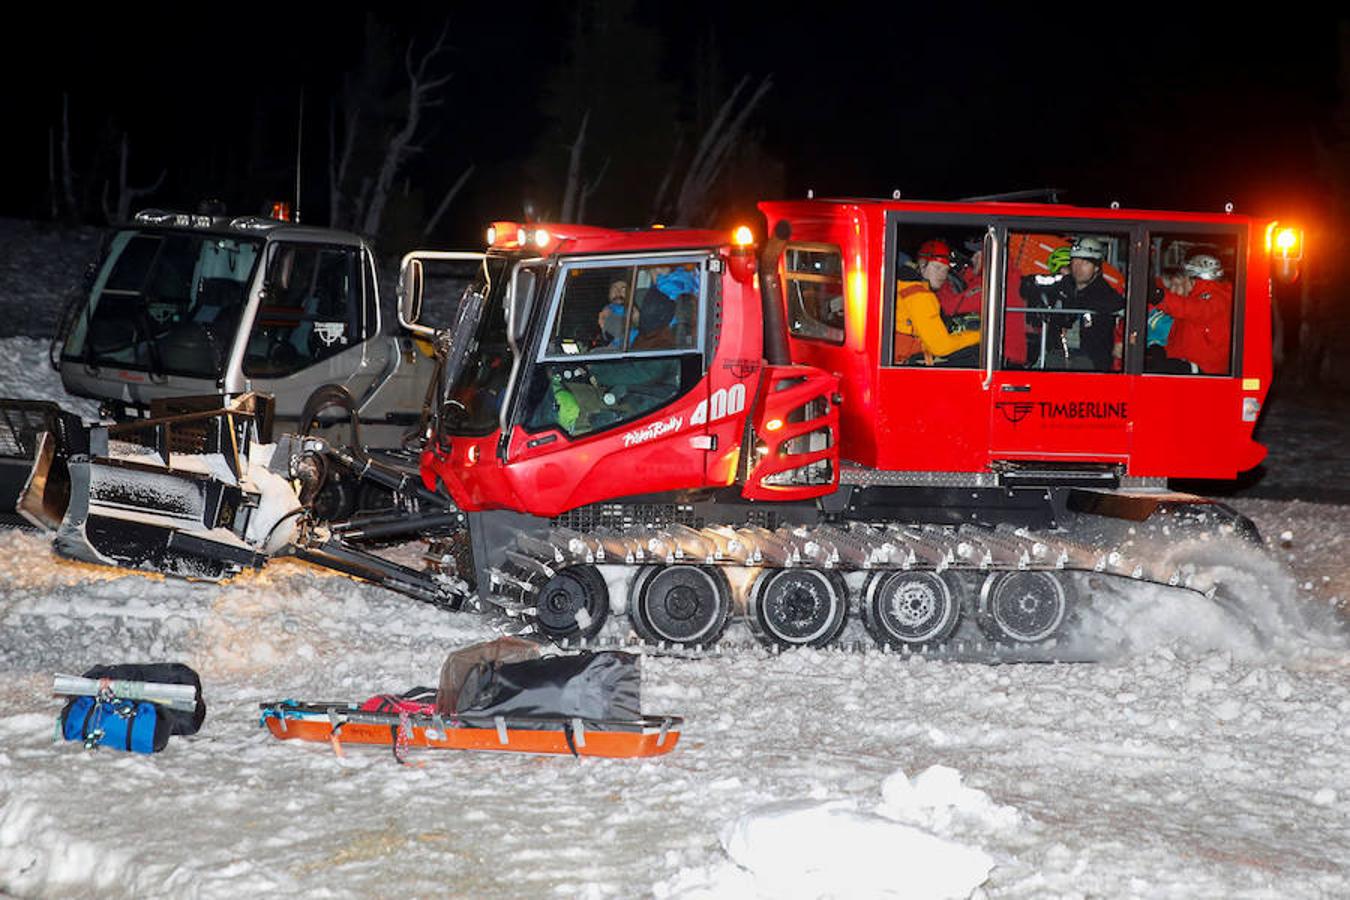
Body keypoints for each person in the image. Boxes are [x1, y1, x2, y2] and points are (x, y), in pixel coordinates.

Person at [1018, 238, 1123, 370]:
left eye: (1085, 262)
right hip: (1057, 355)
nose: (1078, 267)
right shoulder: (1063, 283)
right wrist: (1040, 303)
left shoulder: (1108, 297)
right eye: (1075, 261)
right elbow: (1030, 283)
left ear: (1096, 267)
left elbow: (1124, 320)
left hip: (1091, 362)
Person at [894, 239, 981, 365]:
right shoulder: (919, 294)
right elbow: (941, 347)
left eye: (945, 270)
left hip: (900, 360)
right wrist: (980, 336)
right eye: (937, 267)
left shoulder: (902, 284)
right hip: (907, 363)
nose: (942, 275)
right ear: (922, 265)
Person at [1149, 253, 1232, 374]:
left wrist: (1160, 297)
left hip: (1205, 370)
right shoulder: (1197, 298)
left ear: (1194, 279)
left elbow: (1193, 309)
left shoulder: (1216, 298)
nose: (1181, 285)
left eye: (1184, 279)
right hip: (1189, 363)